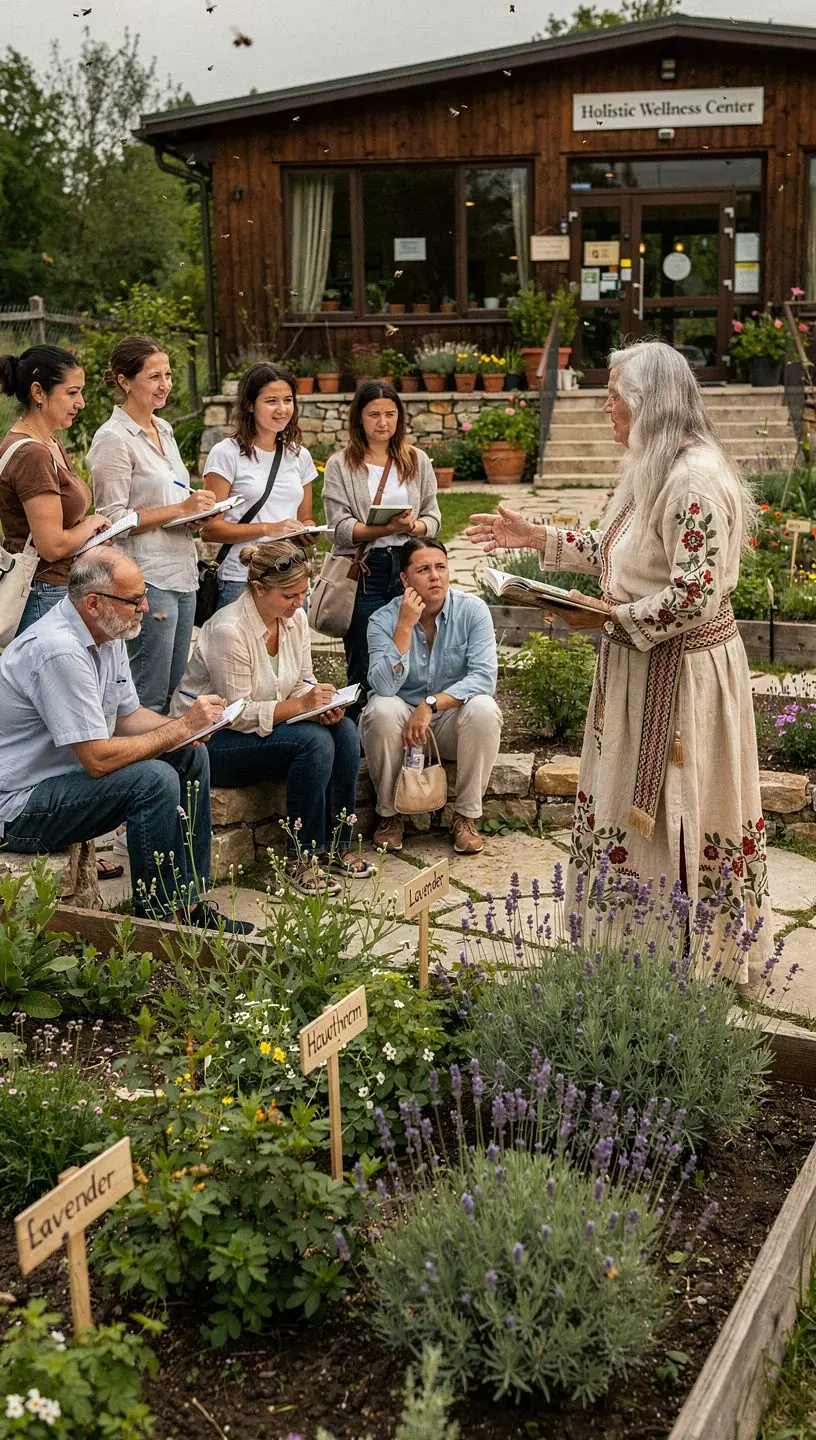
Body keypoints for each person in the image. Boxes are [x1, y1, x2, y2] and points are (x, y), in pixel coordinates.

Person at [466, 339, 773, 984]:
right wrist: (541, 539)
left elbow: (695, 593)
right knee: (632, 809)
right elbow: (622, 552)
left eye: (616, 398)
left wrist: (611, 617)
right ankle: (634, 945)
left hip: (684, 676)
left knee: (685, 804)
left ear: (651, 404)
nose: (606, 408)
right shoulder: (654, 463)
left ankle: (693, 954)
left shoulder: (693, 481)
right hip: (640, 665)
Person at [0, 546, 251, 933]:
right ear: (95, 602)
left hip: (59, 783)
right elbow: (97, 758)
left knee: (189, 758)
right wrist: (178, 730)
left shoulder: (106, 632)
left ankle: (188, 902)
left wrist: (188, 727)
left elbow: (126, 718)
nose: (146, 608)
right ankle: (160, 918)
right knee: (154, 779)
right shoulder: (59, 651)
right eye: (135, 600)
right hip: (19, 807)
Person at [170, 540, 373, 896]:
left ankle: (337, 845)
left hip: (260, 729)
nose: (299, 604)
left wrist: (322, 704)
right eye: (290, 596)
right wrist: (300, 708)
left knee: (343, 730)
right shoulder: (229, 629)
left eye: (302, 594)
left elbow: (302, 680)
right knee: (313, 743)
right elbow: (237, 713)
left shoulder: (292, 621)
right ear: (258, 588)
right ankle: (302, 857)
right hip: (210, 742)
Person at [87, 337, 217, 713]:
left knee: (176, 691)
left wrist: (196, 516)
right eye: (154, 376)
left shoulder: (165, 428)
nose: (165, 385)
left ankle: (171, 771)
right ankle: (144, 772)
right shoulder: (112, 439)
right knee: (148, 696)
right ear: (126, 381)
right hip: (145, 579)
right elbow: (111, 521)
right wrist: (180, 508)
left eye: (169, 375)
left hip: (183, 573)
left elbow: (171, 499)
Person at [360, 537, 502, 856]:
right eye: (423, 569)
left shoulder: (472, 611)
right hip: (402, 731)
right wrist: (404, 627)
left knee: (484, 709)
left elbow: (483, 678)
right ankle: (390, 816)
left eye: (441, 567)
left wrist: (431, 703)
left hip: (449, 726)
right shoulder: (382, 621)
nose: (435, 576)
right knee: (380, 709)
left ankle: (465, 818)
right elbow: (382, 687)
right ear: (405, 579)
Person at [321, 382, 441, 719]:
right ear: (359, 418)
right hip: (365, 569)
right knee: (363, 653)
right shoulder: (341, 464)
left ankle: (401, 724)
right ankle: (360, 737)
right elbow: (339, 529)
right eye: (374, 414)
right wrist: (385, 528)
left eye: (390, 414)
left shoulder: (416, 459)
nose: (382, 422)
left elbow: (434, 518)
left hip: (408, 565)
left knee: (412, 645)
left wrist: (413, 527)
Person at [0, 346, 110, 632]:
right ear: (38, 392)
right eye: (72, 393)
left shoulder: (50, 442)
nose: (81, 402)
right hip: (43, 593)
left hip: (58, 587)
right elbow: (51, 545)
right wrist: (92, 523)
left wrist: (93, 537)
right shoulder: (32, 454)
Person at [200, 362, 317, 610]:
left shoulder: (299, 456)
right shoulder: (226, 453)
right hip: (243, 578)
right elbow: (210, 529)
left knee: (291, 649)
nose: (282, 409)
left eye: (288, 400)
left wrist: (308, 530)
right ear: (250, 405)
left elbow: (305, 517)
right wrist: (268, 528)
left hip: (291, 575)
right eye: (271, 401)